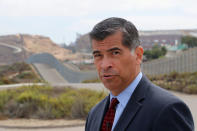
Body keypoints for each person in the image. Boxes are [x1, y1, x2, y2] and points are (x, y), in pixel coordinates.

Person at [85, 17, 194, 131]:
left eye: (115, 53)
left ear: (138, 55)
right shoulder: (94, 114)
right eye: (98, 55)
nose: (105, 65)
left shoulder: (167, 110)